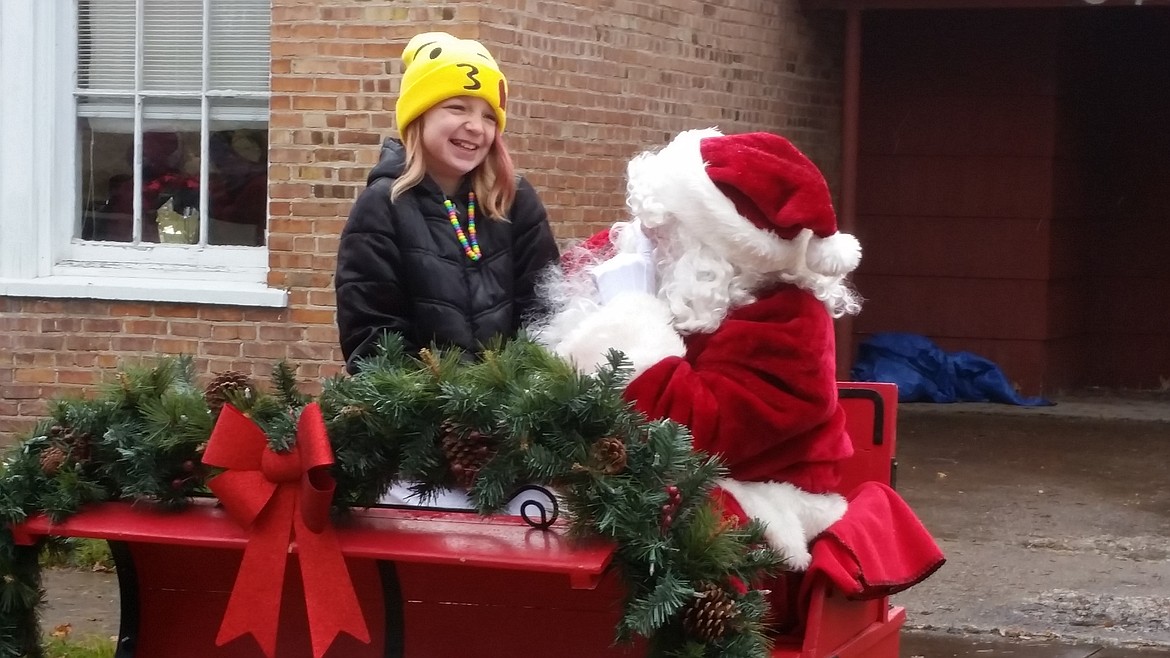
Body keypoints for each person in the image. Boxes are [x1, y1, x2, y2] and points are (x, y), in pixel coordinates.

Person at [535, 127, 942, 631]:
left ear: (715, 250)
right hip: (649, 501)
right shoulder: (676, 277)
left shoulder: (791, 325)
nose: (645, 234)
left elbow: (687, 435)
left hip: (752, 540)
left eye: (665, 224)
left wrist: (628, 315)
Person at [335, 31, 559, 374]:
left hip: (512, 417)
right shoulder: (382, 206)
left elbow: (544, 313)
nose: (475, 127)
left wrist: (515, 397)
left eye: (488, 117)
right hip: (420, 420)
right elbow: (373, 338)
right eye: (457, 108)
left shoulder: (514, 199)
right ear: (418, 115)